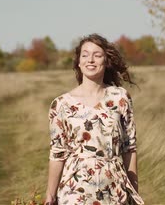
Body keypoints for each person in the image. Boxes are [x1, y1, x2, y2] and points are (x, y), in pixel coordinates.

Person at [45, 34, 145, 205]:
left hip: (114, 188)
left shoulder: (120, 97)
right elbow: (57, 154)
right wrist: (50, 195)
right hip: (75, 189)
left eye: (97, 55)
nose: (90, 60)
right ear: (78, 62)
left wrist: (134, 191)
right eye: (85, 55)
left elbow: (129, 148)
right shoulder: (61, 104)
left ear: (106, 61)